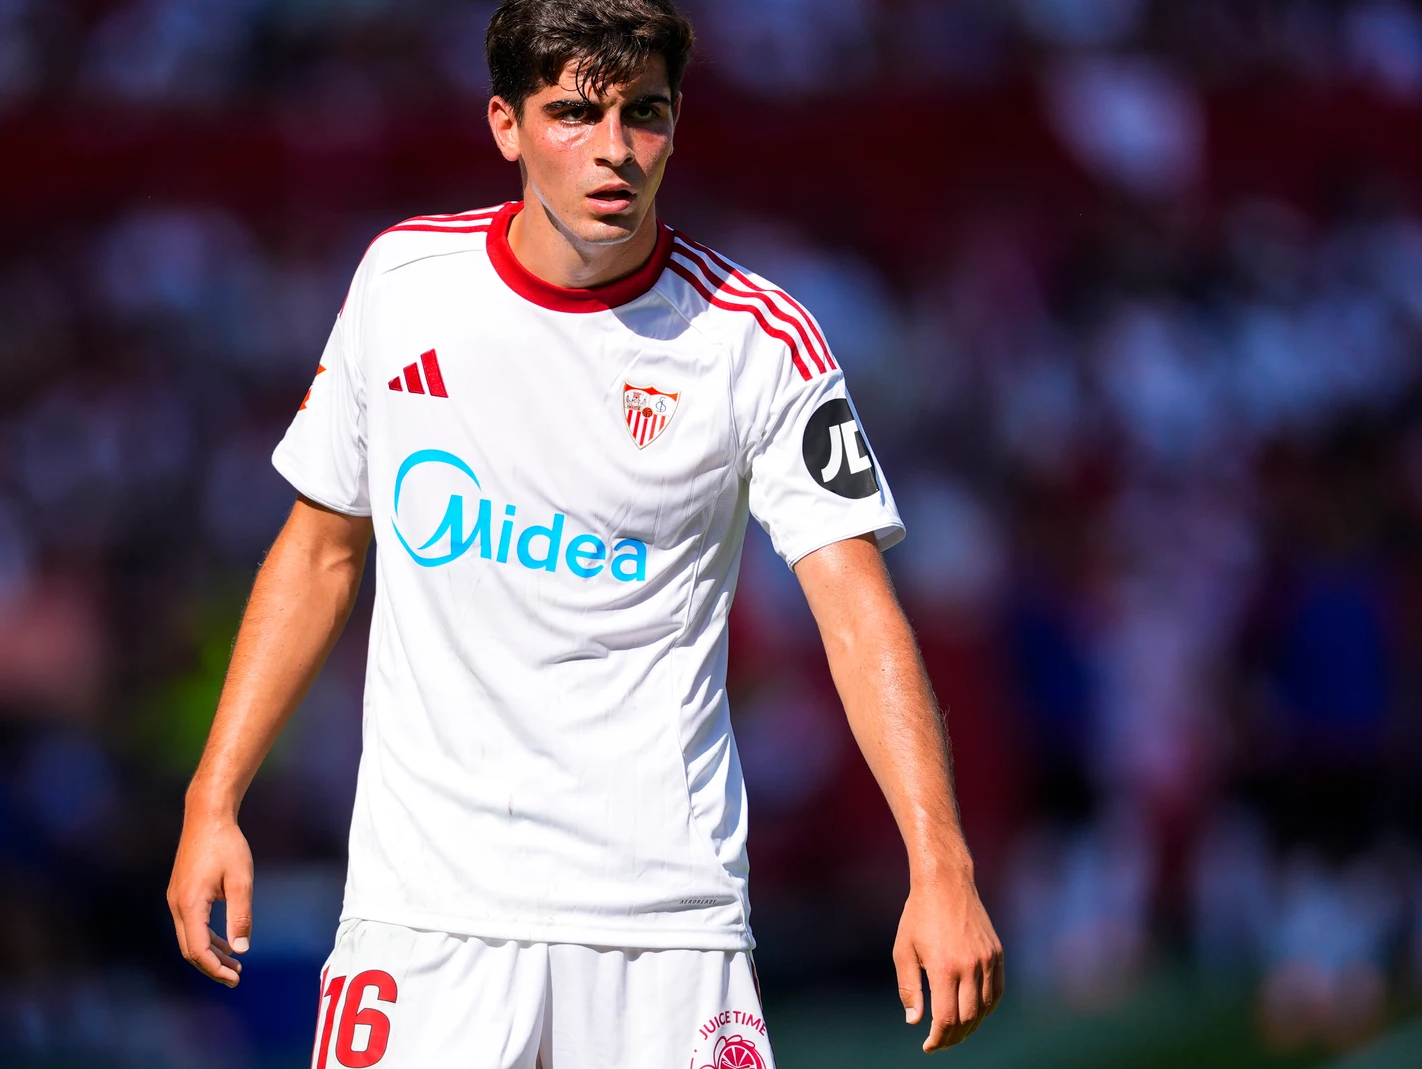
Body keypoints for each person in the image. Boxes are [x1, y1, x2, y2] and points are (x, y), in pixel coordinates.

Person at [165, 1, 1003, 1064]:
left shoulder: (757, 340)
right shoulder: (403, 284)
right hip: (427, 916)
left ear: (676, 121)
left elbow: (855, 609)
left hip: (664, 924)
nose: (614, 150)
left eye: (642, 113)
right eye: (573, 114)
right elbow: (321, 550)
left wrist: (941, 867)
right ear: (504, 125)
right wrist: (213, 797)